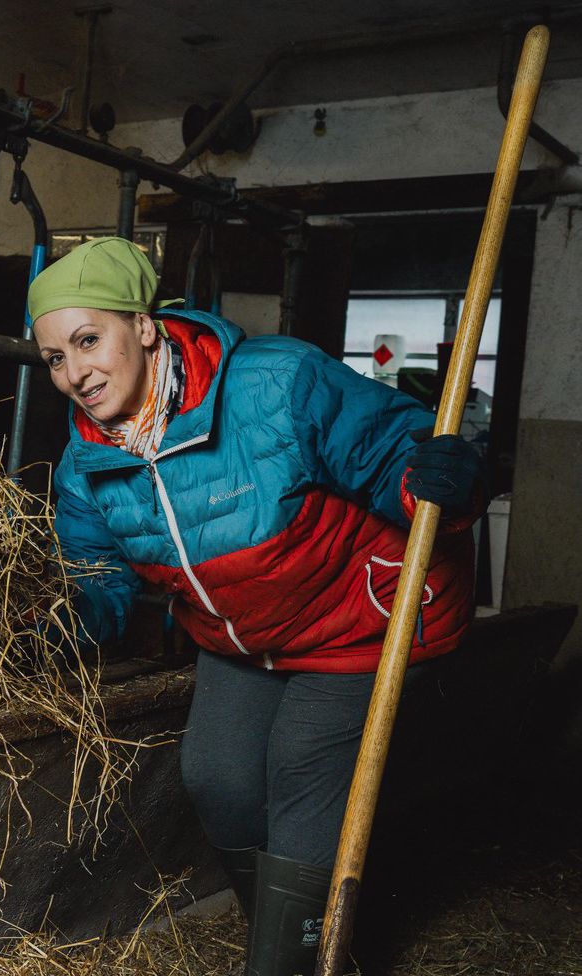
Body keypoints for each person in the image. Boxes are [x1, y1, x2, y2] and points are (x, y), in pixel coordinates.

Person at [27, 237, 484, 976]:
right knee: (217, 777)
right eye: (54, 358)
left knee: (302, 769)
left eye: (88, 341)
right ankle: (301, 936)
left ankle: (285, 965)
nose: (74, 373)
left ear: (143, 327)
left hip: (354, 618)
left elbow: (390, 453)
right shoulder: (88, 463)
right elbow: (97, 581)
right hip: (241, 638)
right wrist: (51, 622)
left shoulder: (275, 382)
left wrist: (436, 476)